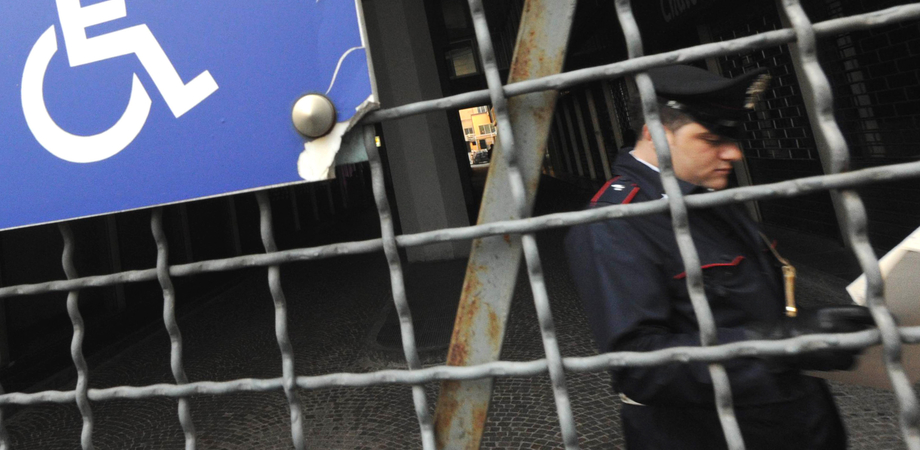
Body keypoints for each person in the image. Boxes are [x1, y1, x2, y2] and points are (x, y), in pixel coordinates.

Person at [565, 65, 867, 450]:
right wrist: (778, 342)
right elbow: (639, 369)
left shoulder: (706, 198)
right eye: (711, 138)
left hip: (794, 423)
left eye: (732, 137)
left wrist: (812, 328)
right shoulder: (615, 224)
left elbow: (746, 306)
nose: (734, 153)